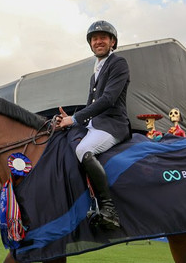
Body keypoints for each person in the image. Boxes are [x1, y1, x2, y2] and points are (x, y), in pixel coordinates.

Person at [55, 20, 130, 230]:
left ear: (112, 42)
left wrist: (75, 119)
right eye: (94, 39)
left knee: (83, 148)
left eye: (103, 38)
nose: (98, 41)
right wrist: (70, 119)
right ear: (90, 44)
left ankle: (109, 210)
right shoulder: (95, 71)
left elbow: (108, 100)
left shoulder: (118, 63)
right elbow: (92, 105)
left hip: (113, 125)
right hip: (95, 124)